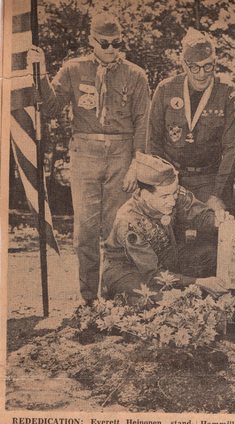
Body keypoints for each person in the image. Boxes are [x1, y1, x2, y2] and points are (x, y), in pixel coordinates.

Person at [27, 12, 150, 304]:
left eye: (116, 44)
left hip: (121, 156)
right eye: (104, 43)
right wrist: (41, 72)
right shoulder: (73, 69)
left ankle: (114, 295)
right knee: (85, 231)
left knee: (117, 229)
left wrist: (137, 163)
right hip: (85, 154)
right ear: (91, 40)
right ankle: (89, 299)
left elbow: (142, 123)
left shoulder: (136, 75)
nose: (110, 49)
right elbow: (51, 107)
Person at [101, 153, 229, 302]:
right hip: (130, 270)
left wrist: (217, 220)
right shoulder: (130, 222)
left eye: (174, 194)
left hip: (166, 256)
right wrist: (197, 282)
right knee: (164, 300)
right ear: (144, 194)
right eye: (165, 197)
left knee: (209, 254)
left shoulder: (170, 191)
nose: (172, 201)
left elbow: (199, 214)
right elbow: (152, 273)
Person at [148, 27, 235, 207]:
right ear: (184, 64)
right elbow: (153, 142)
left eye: (208, 66)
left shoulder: (228, 93)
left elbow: (232, 149)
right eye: (194, 67)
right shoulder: (166, 90)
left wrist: (218, 194)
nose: (201, 74)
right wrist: (160, 186)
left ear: (215, 63)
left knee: (209, 230)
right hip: (171, 178)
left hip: (210, 179)